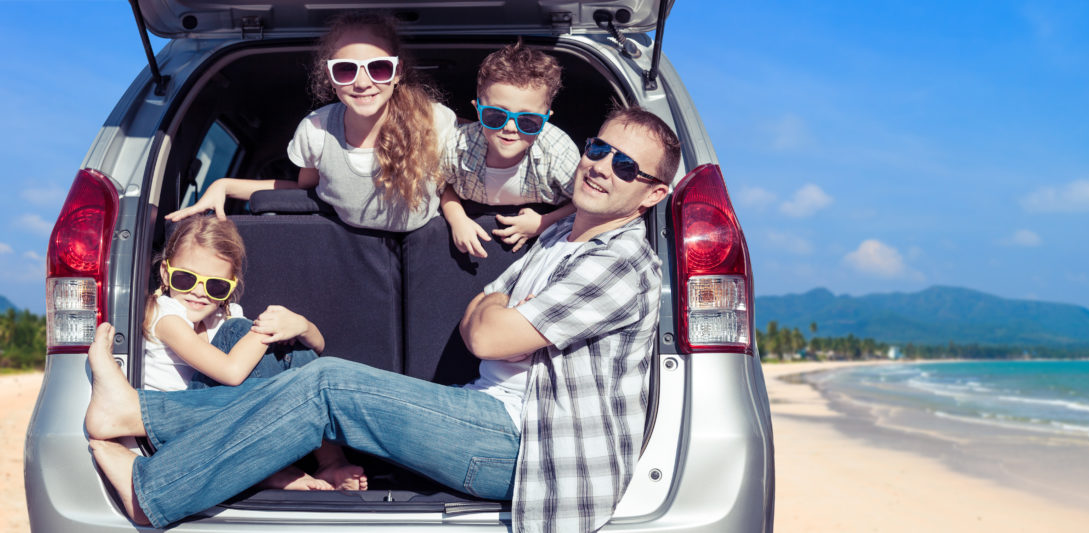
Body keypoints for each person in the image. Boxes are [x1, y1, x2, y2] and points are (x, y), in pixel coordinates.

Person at [85, 107, 680, 531]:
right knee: (309, 373)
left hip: (529, 448)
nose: (602, 167)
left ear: (653, 195)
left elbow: (485, 332)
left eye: (628, 167)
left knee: (328, 384)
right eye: (599, 150)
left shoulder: (621, 261)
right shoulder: (558, 239)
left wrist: (499, 314)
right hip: (487, 414)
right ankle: (137, 416)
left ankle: (151, 488)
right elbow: (480, 314)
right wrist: (496, 315)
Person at [167, 12, 456, 233]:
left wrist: (461, 217)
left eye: (378, 68)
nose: (362, 82)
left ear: (397, 72)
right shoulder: (316, 130)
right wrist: (224, 185)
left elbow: (463, 179)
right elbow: (303, 191)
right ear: (330, 77)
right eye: (346, 70)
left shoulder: (434, 120)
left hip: (428, 241)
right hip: (351, 246)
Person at [142, 215, 365, 491]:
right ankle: (269, 471)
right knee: (242, 332)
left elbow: (317, 348)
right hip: (177, 431)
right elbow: (231, 372)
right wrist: (268, 329)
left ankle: (331, 461)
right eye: (186, 279)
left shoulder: (223, 316)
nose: (199, 292)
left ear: (231, 286)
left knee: (291, 350)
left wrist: (300, 325)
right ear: (166, 274)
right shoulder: (164, 316)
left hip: (215, 422)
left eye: (215, 285)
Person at [440, 40, 581, 258]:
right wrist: (457, 219)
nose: (510, 128)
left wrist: (544, 222)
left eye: (528, 120)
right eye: (496, 115)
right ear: (478, 110)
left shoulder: (558, 152)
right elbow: (442, 185)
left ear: (546, 119)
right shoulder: (458, 147)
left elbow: (583, 203)